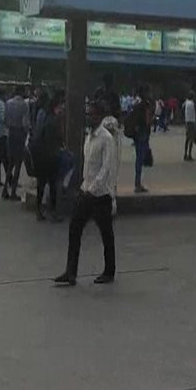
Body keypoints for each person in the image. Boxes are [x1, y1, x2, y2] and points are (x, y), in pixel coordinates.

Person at [54, 100, 119, 286]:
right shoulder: (89, 137)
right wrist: (83, 186)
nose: (90, 117)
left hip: (100, 195)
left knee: (106, 233)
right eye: (89, 114)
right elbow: (88, 166)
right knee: (74, 229)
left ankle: (109, 271)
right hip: (86, 190)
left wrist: (93, 189)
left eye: (93, 115)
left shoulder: (106, 138)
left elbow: (106, 168)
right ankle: (70, 272)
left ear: (100, 116)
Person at [31, 93, 65, 220]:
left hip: (41, 156)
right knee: (52, 185)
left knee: (42, 184)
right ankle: (53, 212)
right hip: (50, 156)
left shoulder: (45, 118)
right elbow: (55, 139)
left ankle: (39, 210)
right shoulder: (53, 121)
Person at [4, 87, 31, 200]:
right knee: (18, 164)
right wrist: (27, 132)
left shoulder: (8, 103)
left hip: (11, 133)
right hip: (20, 134)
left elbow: (5, 120)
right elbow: (25, 123)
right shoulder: (24, 105)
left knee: (10, 164)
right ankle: (13, 191)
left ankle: (5, 188)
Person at [128, 88, 153, 194]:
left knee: (138, 158)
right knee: (140, 158)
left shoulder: (137, 105)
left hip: (137, 134)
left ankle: (137, 183)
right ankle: (138, 184)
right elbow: (147, 121)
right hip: (143, 133)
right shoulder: (146, 105)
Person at [183, 91, 196, 161]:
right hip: (191, 122)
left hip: (187, 121)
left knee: (187, 139)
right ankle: (189, 154)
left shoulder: (186, 103)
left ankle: (185, 154)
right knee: (191, 139)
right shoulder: (192, 103)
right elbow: (193, 114)